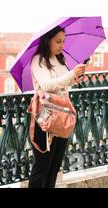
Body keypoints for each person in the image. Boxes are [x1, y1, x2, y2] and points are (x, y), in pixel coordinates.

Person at [28, 26, 86, 188]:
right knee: (42, 165)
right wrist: (71, 75)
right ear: (47, 41)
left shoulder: (60, 60)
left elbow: (61, 88)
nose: (62, 45)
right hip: (45, 115)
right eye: (58, 41)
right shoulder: (38, 60)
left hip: (61, 115)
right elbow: (46, 85)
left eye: (64, 41)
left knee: (54, 166)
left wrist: (75, 79)